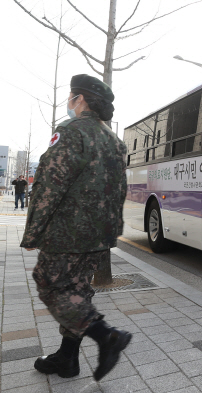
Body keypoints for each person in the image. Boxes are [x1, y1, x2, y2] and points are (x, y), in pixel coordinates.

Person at [20, 74, 130, 381]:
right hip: (99, 234)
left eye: (71, 97)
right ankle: (67, 359)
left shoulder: (72, 132)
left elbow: (49, 185)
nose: (69, 102)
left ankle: (108, 336)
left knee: (49, 282)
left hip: (66, 232)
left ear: (79, 99)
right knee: (78, 291)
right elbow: (119, 190)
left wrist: (33, 232)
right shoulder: (116, 142)